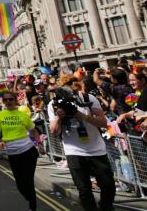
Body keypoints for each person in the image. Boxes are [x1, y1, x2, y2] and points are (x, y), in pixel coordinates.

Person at [48, 75, 115, 211]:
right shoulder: (54, 104)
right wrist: (58, 117)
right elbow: (54, 131)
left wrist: (83, 116)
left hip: (96, 149)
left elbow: (103, 123)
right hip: (74, 151)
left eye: (72, 86)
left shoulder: (88, 99)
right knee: (84, 190)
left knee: (108, 186)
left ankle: (105, 207)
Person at [0, 90, 41, 211]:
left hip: (28, 151)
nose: (8, 101)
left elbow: (33, 131)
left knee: (28, 180)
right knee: (20, 184)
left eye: (10, 99)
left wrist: (40, 143)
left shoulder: (23, 115)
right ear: (3, 102)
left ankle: (32, 206)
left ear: (15, 100)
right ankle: (31, 200)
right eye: (5, 100)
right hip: (13, 154)